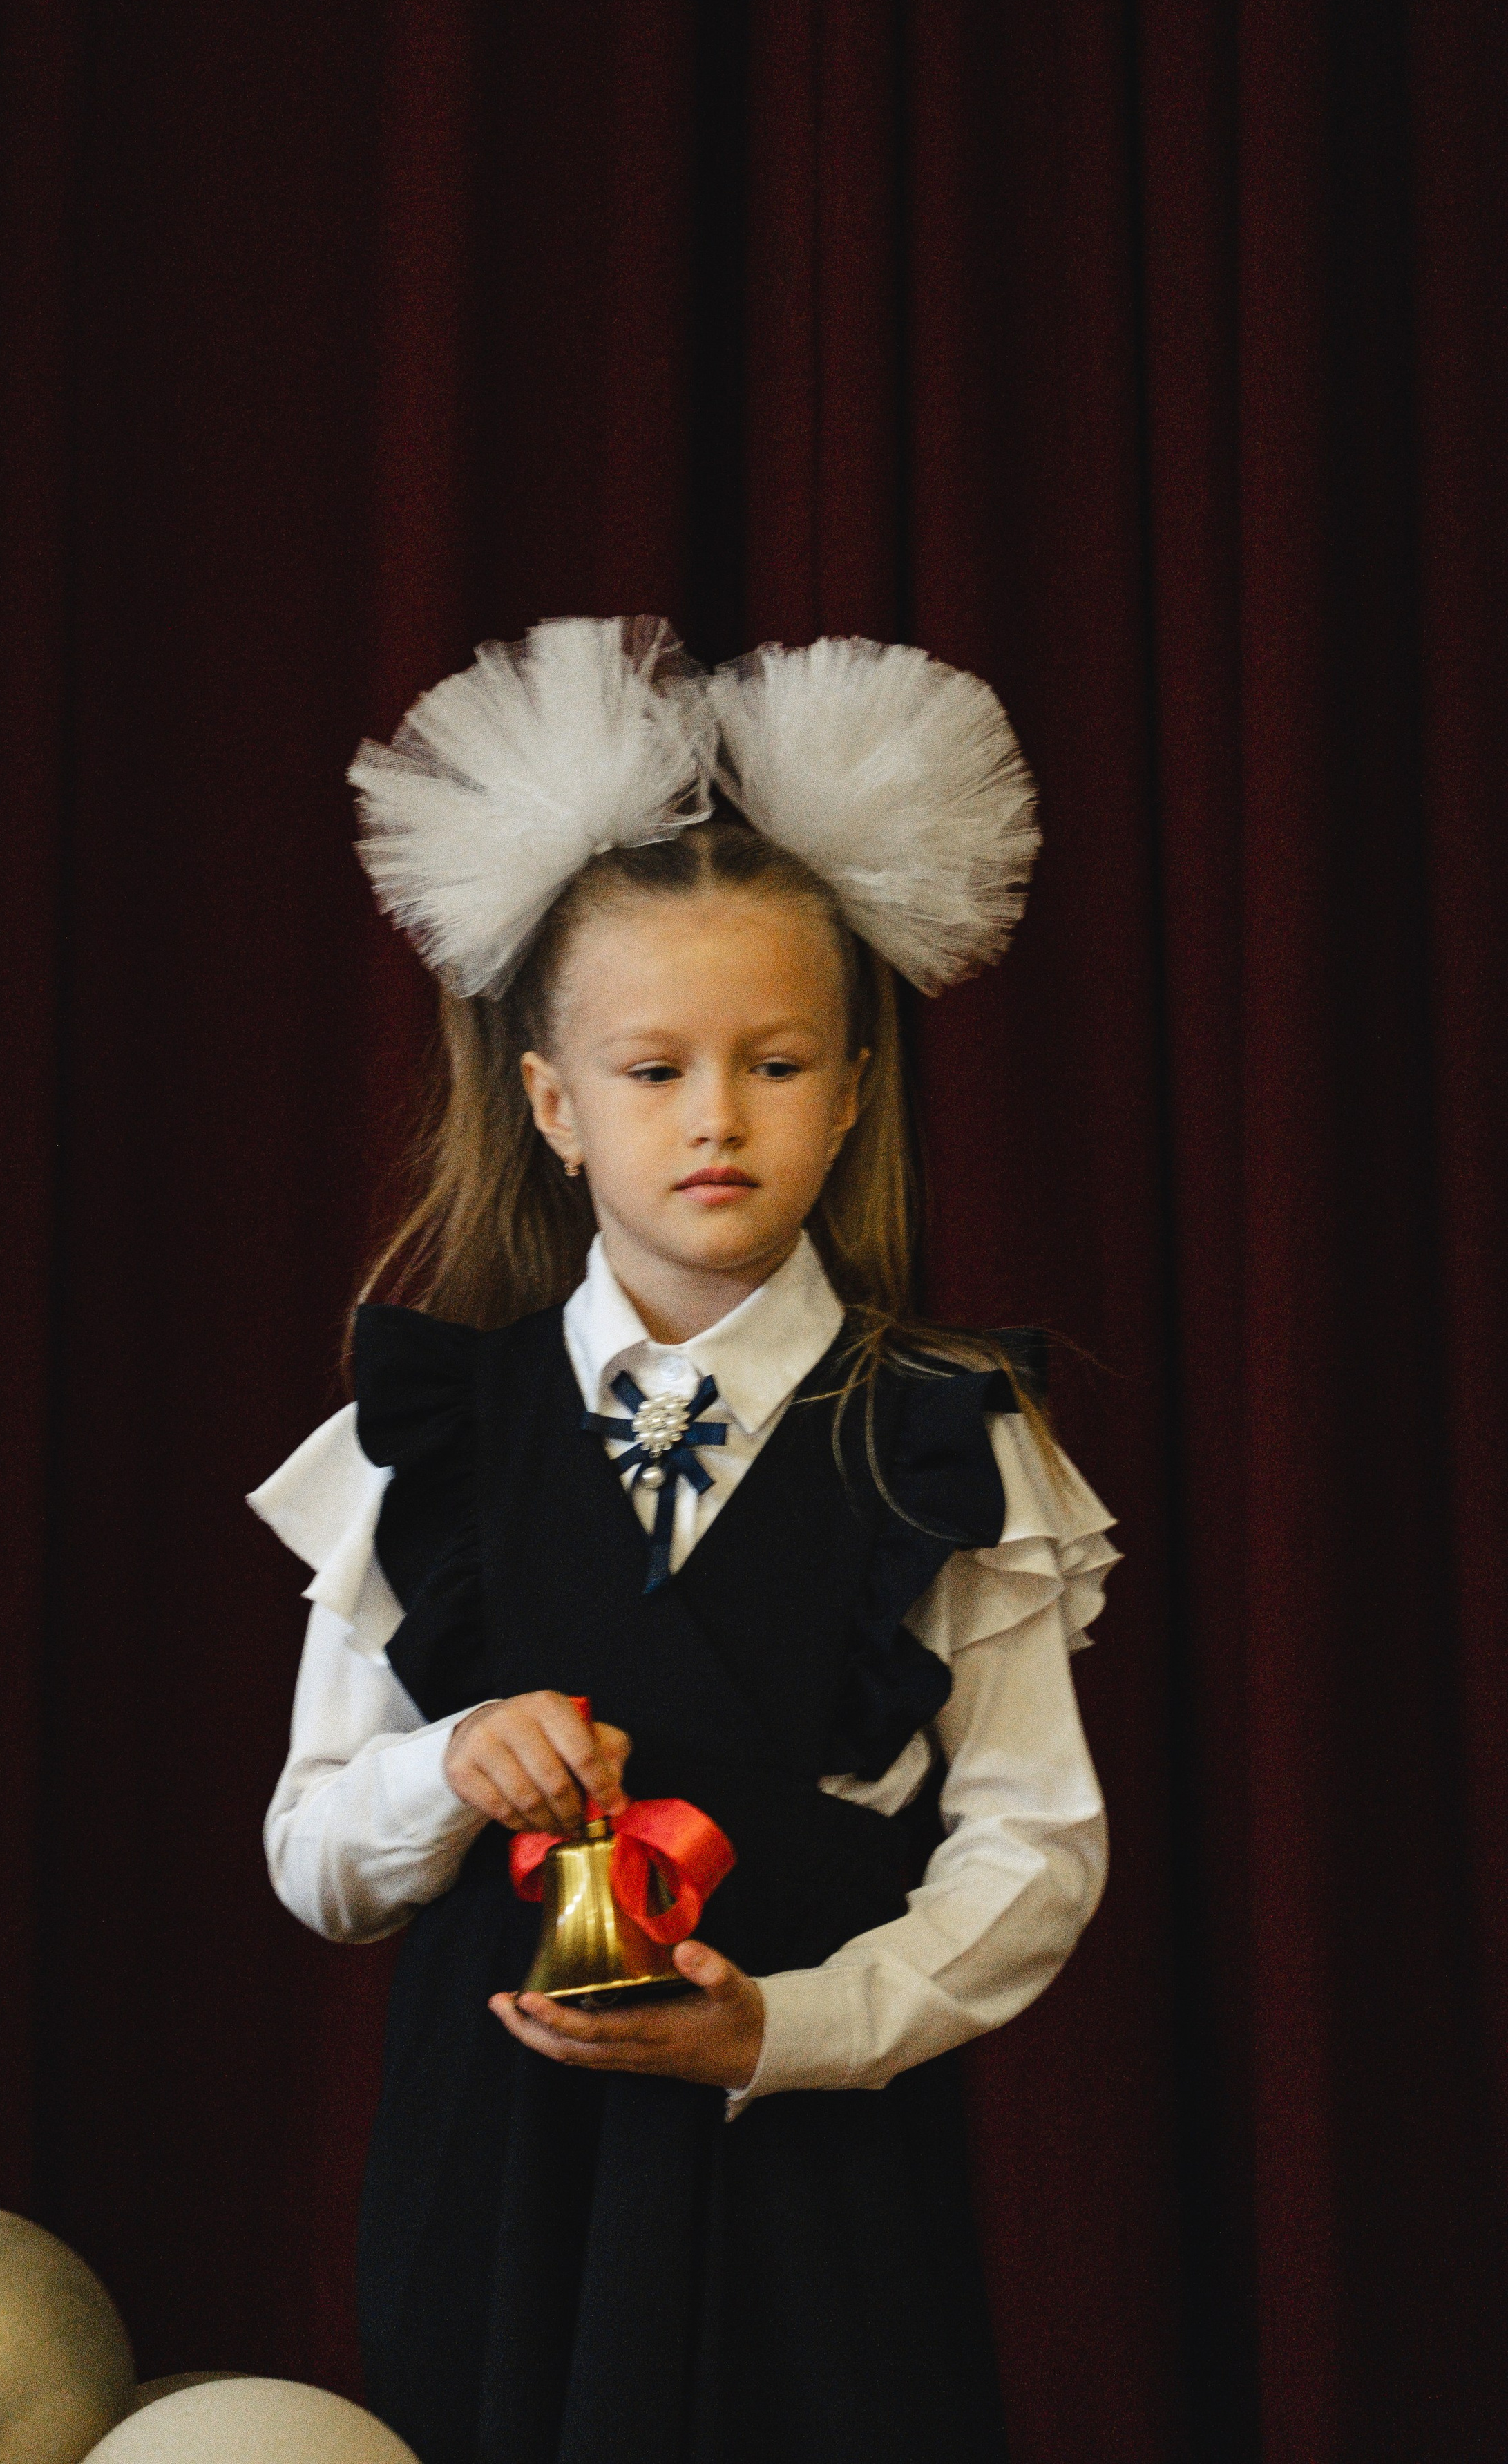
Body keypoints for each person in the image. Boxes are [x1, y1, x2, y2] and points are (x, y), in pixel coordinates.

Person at [252, 618, 1118, 2464]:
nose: (716, 1116)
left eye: (778, 1063)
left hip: (818, 2202)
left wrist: (789, 2029)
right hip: (492, 2205)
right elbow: (314, 1860)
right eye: (653, 1071)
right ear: (554, 1105)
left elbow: (1035, 1848)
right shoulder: (425, 1445)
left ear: (856, 1089)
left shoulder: (948, 1442)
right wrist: (444, 1771)